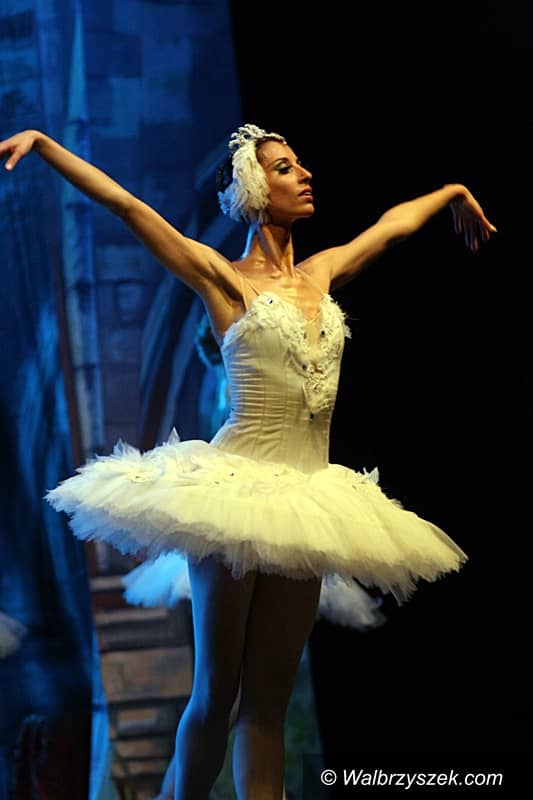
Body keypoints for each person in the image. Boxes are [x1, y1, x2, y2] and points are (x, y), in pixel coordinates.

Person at [0, 123, 496, 800]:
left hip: (307, 499)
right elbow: (128, 207)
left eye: (300, 164)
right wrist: (45, 145)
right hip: (233, 493)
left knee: (267, 700)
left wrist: (451, 191)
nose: (306, 175)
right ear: (255, 189)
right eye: (287, 168)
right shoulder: (224, 279)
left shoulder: (322, 273)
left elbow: (391, 228)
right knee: (216, 690)